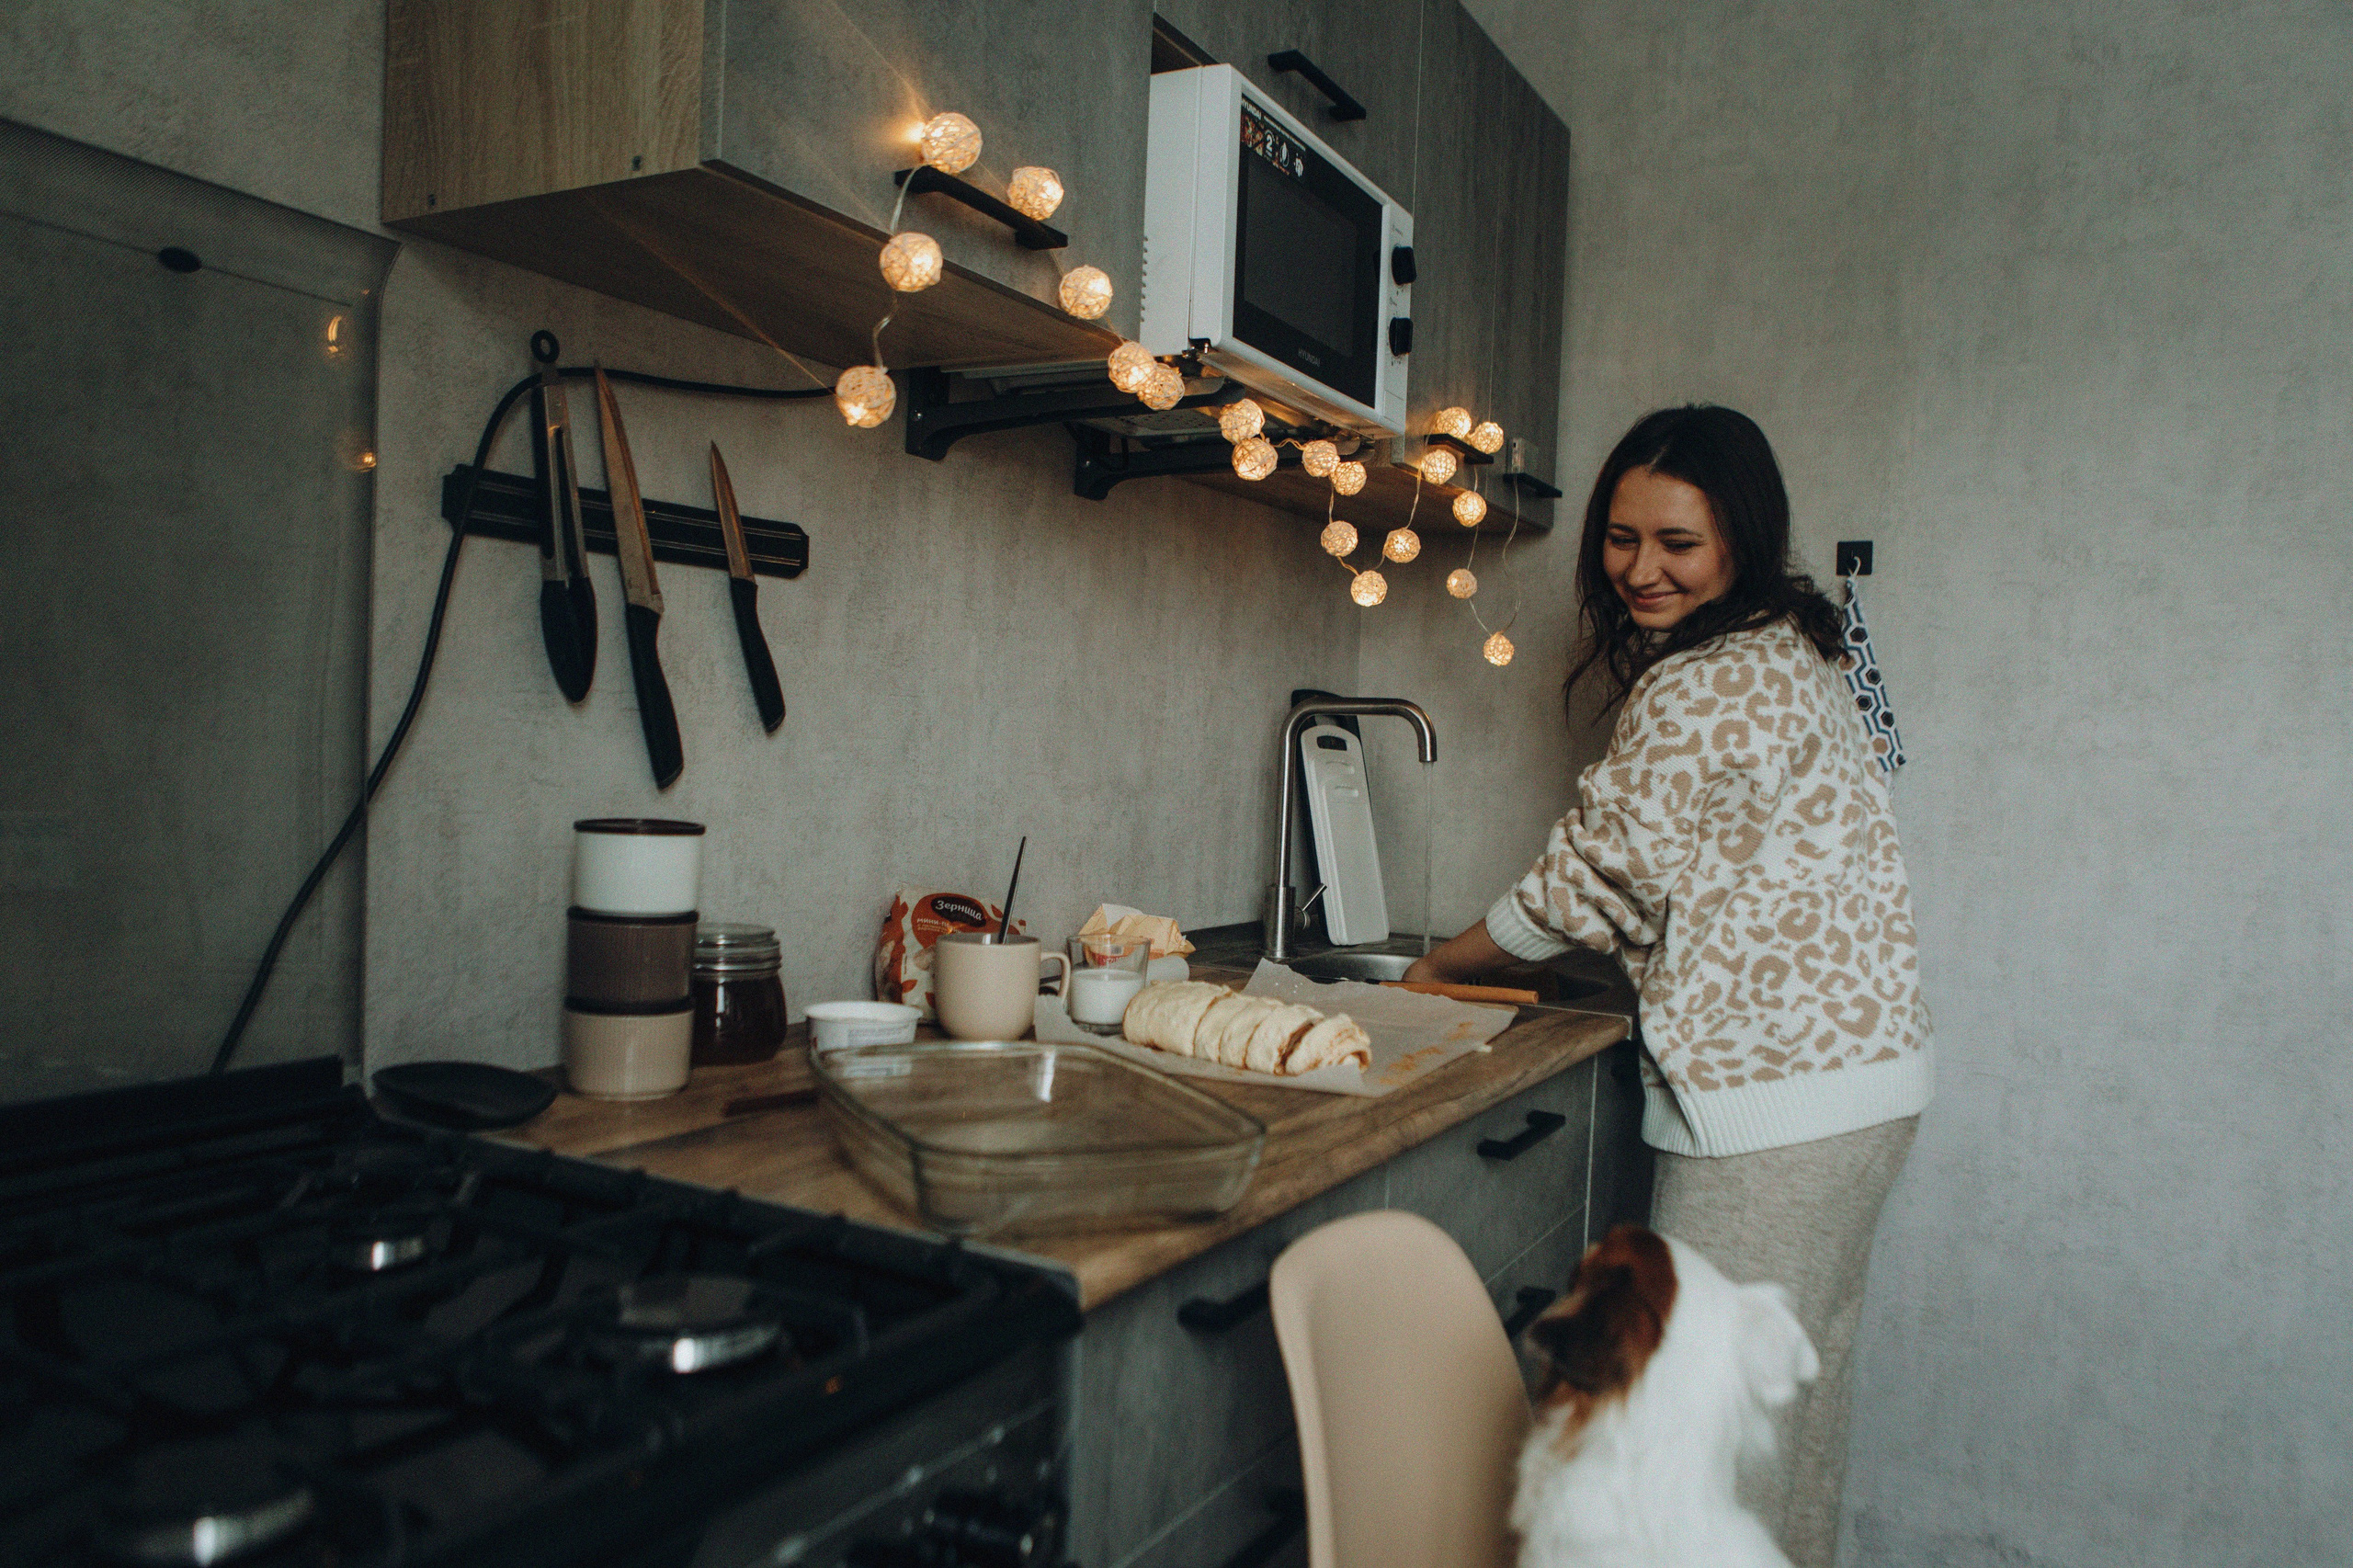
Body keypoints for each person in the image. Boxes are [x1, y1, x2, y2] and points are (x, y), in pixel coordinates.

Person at [1404, 403, 1932, 1568]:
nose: (1639, 569)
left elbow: (1585, 885)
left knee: (1686, 1455)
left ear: (1740, 538)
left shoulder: (1703, 686)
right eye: (1620, 536)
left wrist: (1437, 968)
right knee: (1784, 1414)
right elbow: (1692, 871)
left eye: (1676, 543)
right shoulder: (1793, 651)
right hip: (1859, 1091)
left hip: (1775, 1108)